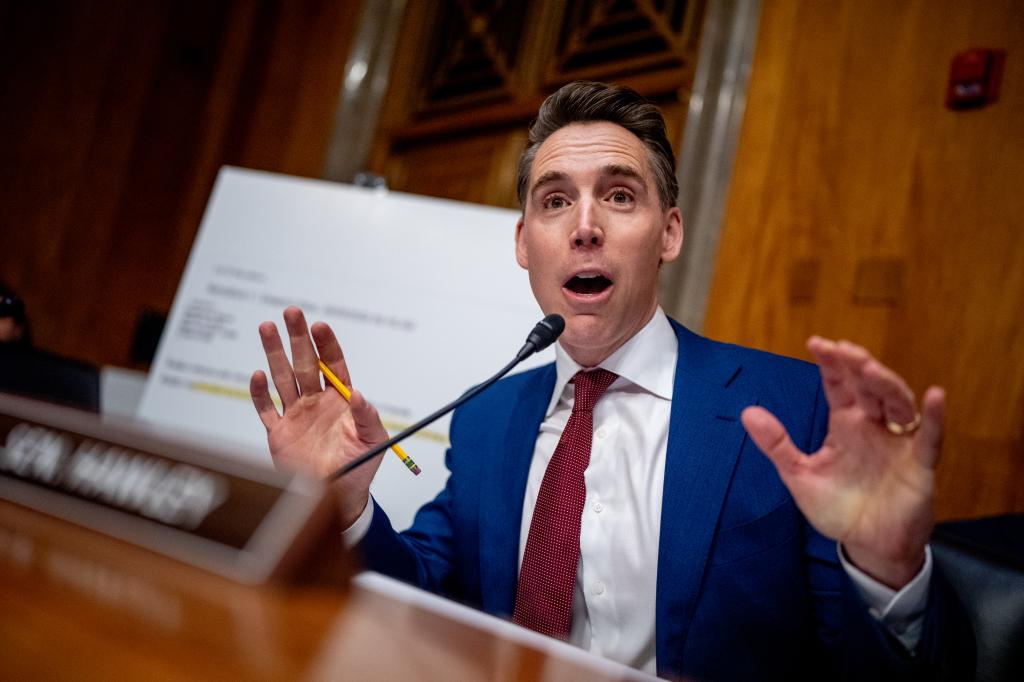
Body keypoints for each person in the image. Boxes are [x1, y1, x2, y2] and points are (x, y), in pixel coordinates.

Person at [249, 82, 973, 679]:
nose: (585, 226)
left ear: (669, 233)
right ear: (523, 243)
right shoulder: (488, 417)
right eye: (555, 200)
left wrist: (889, 574)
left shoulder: (791, 407)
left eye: (620, 196)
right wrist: (344, 509)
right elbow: (432, 597)